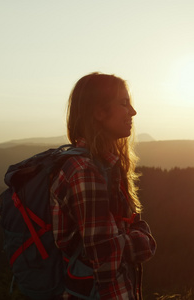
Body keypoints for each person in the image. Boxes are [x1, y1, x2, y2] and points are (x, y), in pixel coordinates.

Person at [50, 72, 156, 299]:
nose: (133, 112)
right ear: (99, 112)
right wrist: (143, 240)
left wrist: (129, 237)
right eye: (124, 103)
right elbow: (106, 259)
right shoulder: (85, 171)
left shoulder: (104, 167)